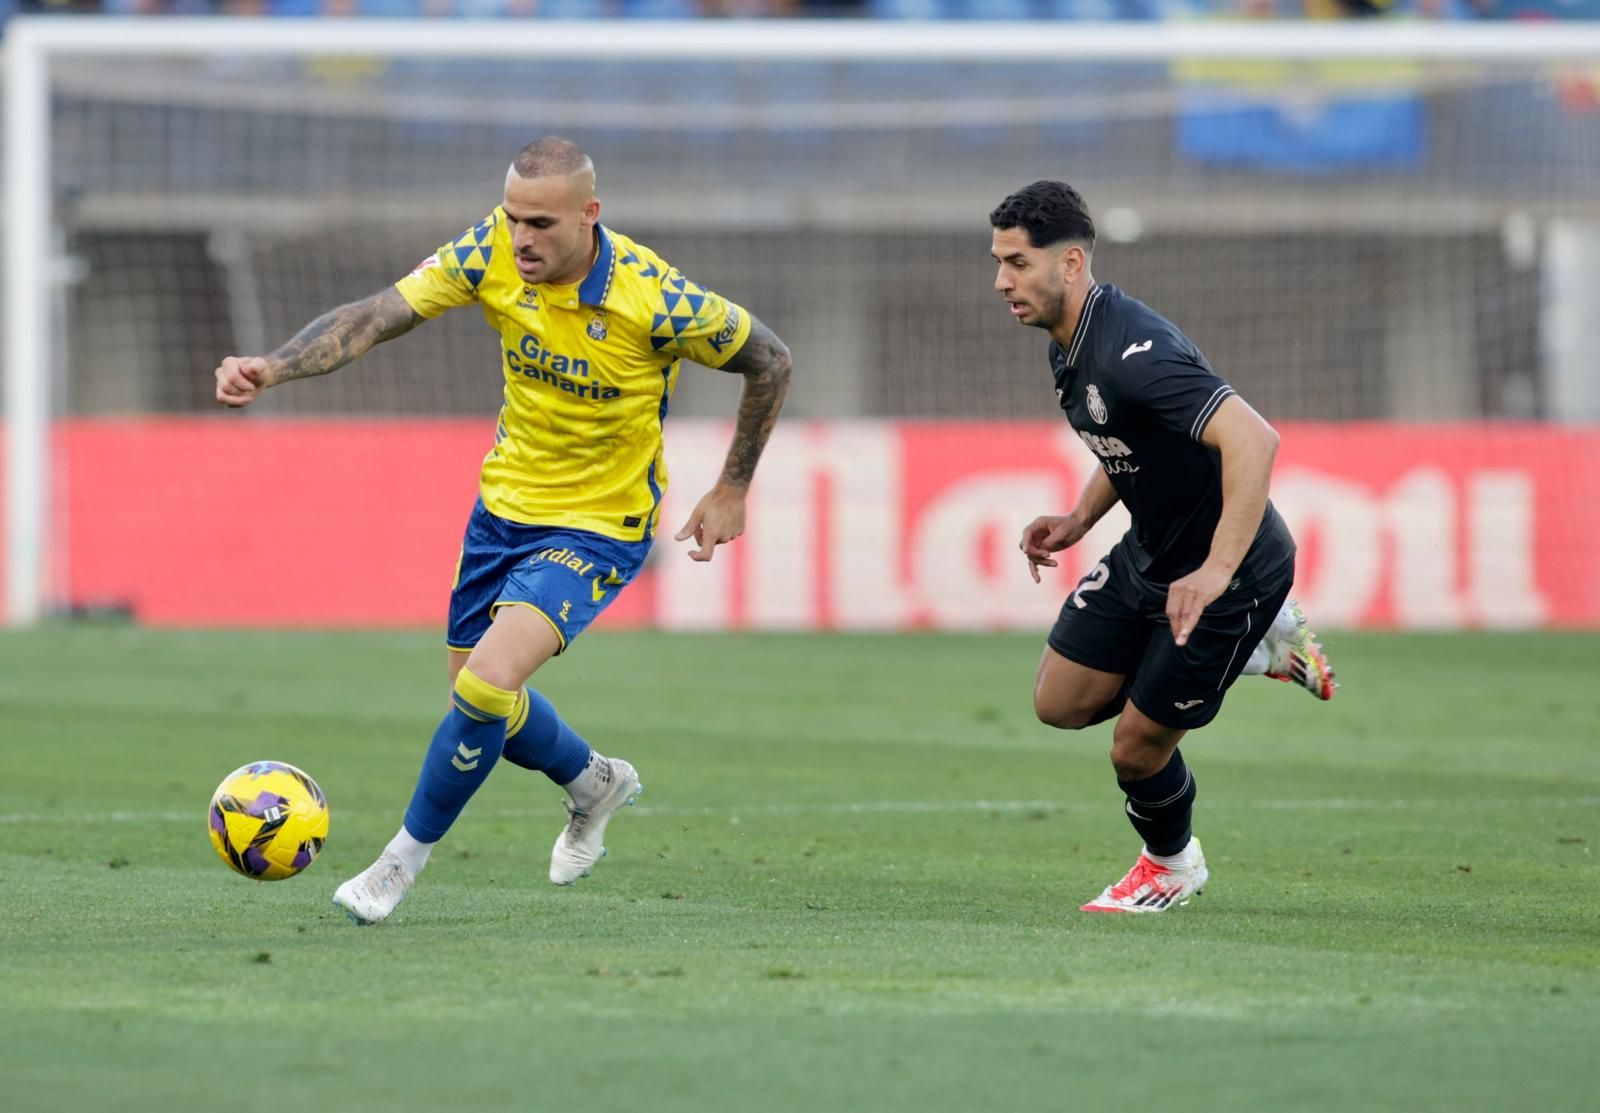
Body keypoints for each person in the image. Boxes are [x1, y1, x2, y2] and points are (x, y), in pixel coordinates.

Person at [215, 136, 792, 925]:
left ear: (591, 215)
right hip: (502, 511)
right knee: (476, 695)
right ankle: (594, 782)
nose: (522, 238)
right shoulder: (488, 248)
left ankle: (397, 864)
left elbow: (772, 359)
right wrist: (273, 367)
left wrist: (732, 486)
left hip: (599, 524)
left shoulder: (654, 298)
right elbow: (378, 314)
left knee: (486, 684)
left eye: (542, 223)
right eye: (514, 217)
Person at [990, 179, 1334, 914]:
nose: (1001, 281)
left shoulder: (1133, 352)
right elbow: (1129, 441)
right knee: (1060, 701)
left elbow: (1254, 439)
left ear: (1072, 262)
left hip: (1229, 572)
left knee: (1136, 747)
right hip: (1152, 551)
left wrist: (1217, 569)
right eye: (999, 261)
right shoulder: (1069, 345)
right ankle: (1263, 646)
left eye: (1018, 263)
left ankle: (1172, 864)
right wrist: (1081, 518)